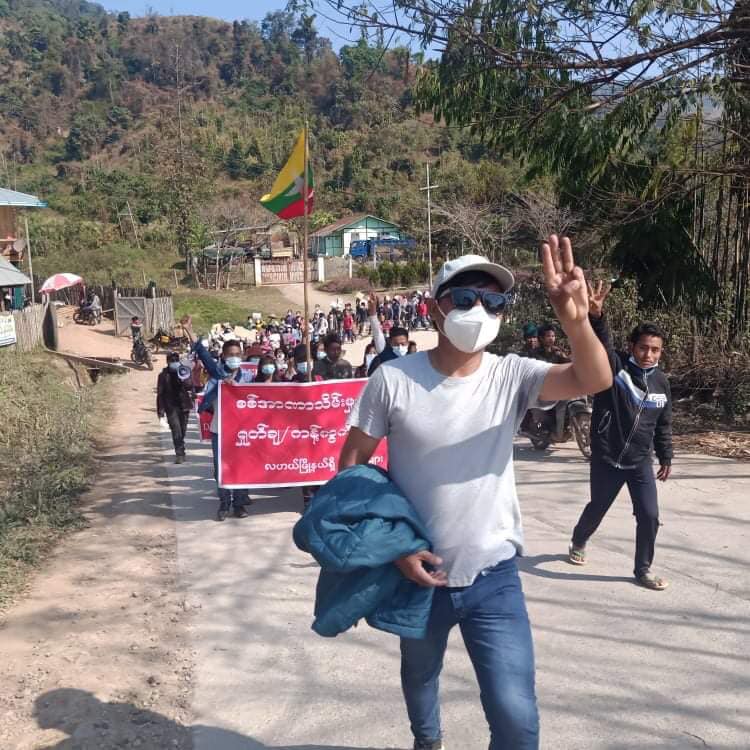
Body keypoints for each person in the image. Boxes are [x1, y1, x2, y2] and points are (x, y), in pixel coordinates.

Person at [340, 239, 611, 750]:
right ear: (435, 308)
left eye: (493, 302)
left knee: (516, 719)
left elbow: (595, 379)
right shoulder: (393, 379)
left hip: (494, 577)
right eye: (465, 298)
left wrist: (576, 322)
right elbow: (352, 464)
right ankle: (427, 741)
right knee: (420, 677)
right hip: (416, 574)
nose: (479, 310)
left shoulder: (512, 374)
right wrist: (392, 547)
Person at [569, 281, 673, 590]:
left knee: (649, 516)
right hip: (607, 457)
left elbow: (663, 423)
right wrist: (597, 316)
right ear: (632, 347)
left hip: (639, 461)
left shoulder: (662, 384)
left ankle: (643, 569)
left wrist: (666, 455)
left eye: (655, 350)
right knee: (597, 507)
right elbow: (601, 343)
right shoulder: (616, 369)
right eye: (643, 348)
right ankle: (579, 539)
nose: (648, 354)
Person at [182, 316, 254, 522]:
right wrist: (189, 330)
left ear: (242, 356)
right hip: (220, 431)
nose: (234, 358)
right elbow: (203, 354)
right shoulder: (218, 374)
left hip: (242, 433)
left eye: (238, 355)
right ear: (223, 356)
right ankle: (224, 503)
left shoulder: (248, 378)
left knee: (241, 467)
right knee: (221, 468)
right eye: (231, 355)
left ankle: (239, 503)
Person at [157, 352, 194, 464]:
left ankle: (180, 446)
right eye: (172, 361)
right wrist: (161, 412)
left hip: (184, 405)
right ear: (168, 362)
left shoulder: (185, 371)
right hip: (171, 407)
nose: (174, 363)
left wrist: (183, 378)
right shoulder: (163, 375)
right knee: (176, 430)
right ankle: (180, 454)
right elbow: (160, 394)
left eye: (176, 360)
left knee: (182, 430)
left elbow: (190, 386)